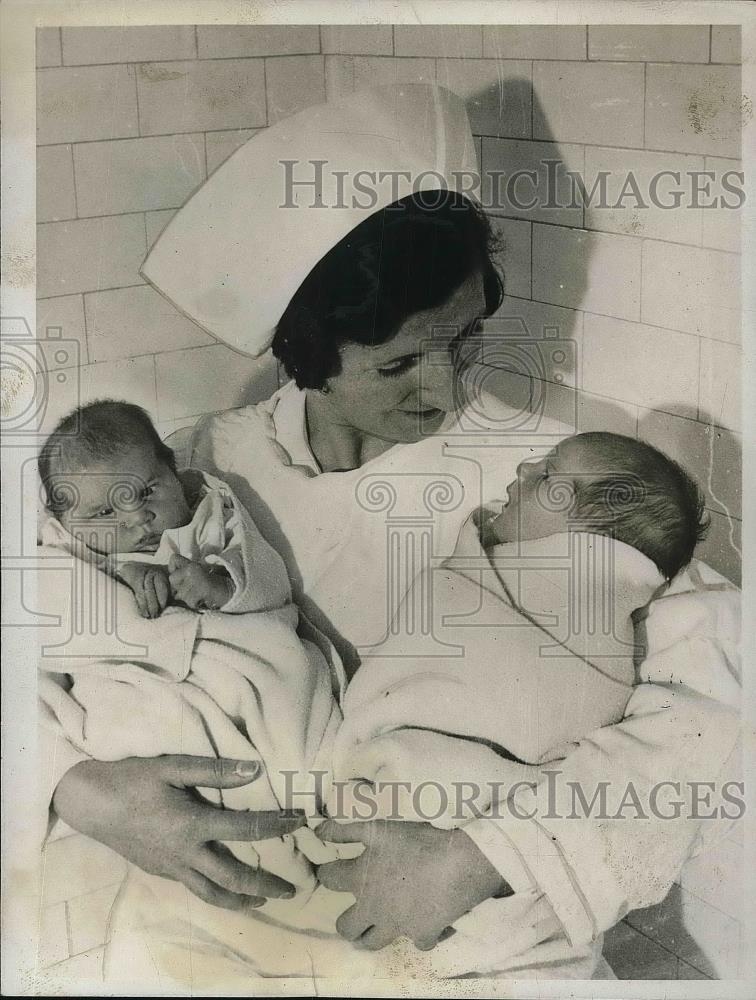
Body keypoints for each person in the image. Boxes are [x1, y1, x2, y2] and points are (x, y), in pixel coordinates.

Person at [41, 84, 741, 985]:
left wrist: (483, 859)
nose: (446, 392)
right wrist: (80, 791)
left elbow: (717, 708)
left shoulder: (559, 479)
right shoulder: (197, 471)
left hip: (456, 928)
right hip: (227, 906)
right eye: (400, 363)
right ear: (308, 354)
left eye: (465, 342)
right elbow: (44, 632)